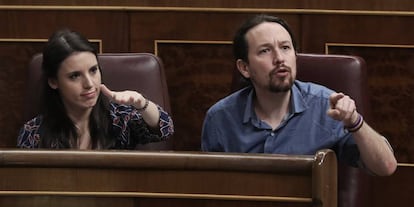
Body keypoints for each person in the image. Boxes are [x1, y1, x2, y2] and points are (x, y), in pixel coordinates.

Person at [201, 14, 397, 176]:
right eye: (265, 51)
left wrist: (355, 122)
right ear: (244, 68)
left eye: (285, 48)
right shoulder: (220, 118)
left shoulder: (327, 107)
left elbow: (386, 167)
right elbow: (211, 187)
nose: (279, 58)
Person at [17, 29, 174, 149]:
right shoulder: (34, 133)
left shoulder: (119, 118)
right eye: (75, 76)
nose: (89, 84)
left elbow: (164, 129)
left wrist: (141, 103)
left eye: (93, 70)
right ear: (53, 82)